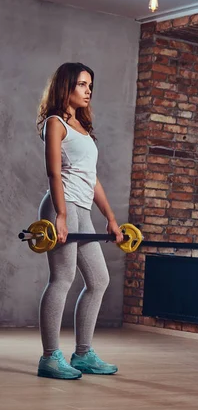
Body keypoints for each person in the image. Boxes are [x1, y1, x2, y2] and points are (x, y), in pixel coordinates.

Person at [36, 62, 122, 379]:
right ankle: (50, 357)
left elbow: (92, 180)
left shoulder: (83, 128)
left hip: (81, 210)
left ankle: (83, 354)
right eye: (83, 85)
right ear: (66, 86)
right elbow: (54, 173)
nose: (88, 91)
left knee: (99, 280)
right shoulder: (55, 123)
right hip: (62, 206)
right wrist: (60, 215)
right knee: (62, 278)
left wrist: (111, 219)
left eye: (90, 86)